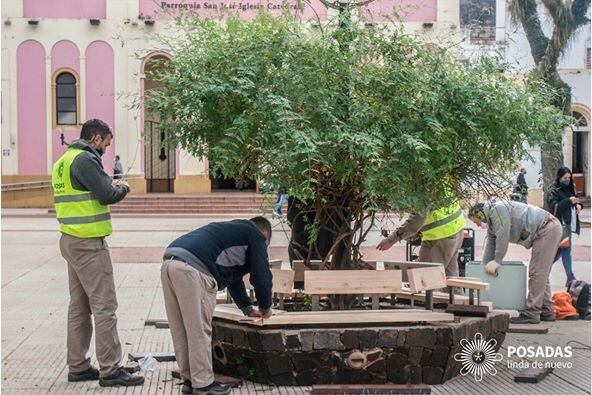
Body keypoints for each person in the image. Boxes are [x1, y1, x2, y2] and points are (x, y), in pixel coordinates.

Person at [52, 119, 143, 386]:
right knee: (105, 306)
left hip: (70, 239)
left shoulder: (63, 161)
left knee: (79, 306)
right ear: (95, 138)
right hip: (89, 243)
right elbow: (106, 194)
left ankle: (78, 366)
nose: (105, 148)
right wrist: (123, 187)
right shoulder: (84, 160)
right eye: (105, 142)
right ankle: (110, 369)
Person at [161, 217, 274, 395]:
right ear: (265, 234)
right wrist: (265, 308)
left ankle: (190, 380)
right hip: (194, 269)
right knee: (199, 330)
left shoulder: (235, 232)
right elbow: (262, 277)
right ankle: (204, 384)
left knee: (181, 328)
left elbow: (233, 278)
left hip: (170, 262)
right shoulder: (256, 235)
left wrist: (247, 308)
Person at [469, 201, 562, 324]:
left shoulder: (497, 210)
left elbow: (503, 235)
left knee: (537, 273)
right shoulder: (492, 221)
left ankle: (532, 314)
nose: (479, 225)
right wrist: (484, 268)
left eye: (477, 222)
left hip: (546, 228)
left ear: (481, 214)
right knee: (541, 273)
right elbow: (491, 244)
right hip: (547, 228)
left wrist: (497, 261)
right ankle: (547, 310)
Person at [376, 198, 466, 277]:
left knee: (423, 278)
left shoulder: (421, 185)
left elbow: (417, 219)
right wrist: (419, 231)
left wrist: (391, 240)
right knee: (451, 280)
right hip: (456, 228)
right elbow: (432, 211)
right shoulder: (437, 180)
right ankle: (456, 297)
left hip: (440, 236)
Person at [547, 167, 583, 285]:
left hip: (568, 224)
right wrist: (568, 201)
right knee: (566, 250)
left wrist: (578, 205)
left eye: (569, 178)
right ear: (559, 177)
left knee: (560, 251)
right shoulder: (553, 189)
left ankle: (544, 269)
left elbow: (575, 200)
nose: (567, 180)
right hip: (559, 225)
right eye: (565, 178)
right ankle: (570, 278)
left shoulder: (569, 187)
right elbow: (554, 207)